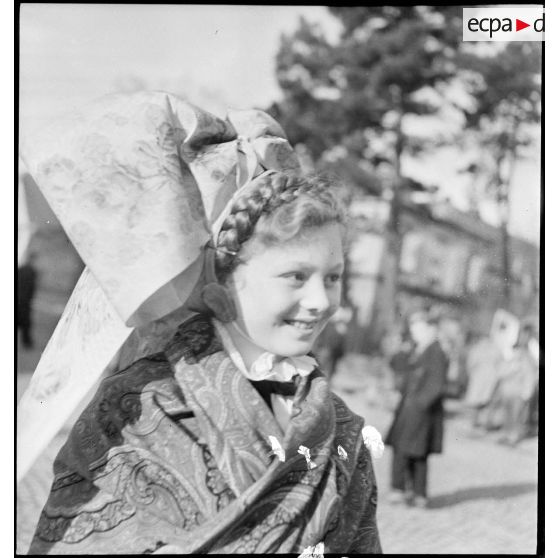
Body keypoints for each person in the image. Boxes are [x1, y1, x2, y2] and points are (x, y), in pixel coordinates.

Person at [22, 92, 382, 554]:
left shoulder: (343, 430)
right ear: (228, 277)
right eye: (295, 276)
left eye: (332, 278)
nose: (320, 301)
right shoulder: (138, 409)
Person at [384, 309, 449, 509]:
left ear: (431, 329)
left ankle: (403, 490)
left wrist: (419, 404)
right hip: (410, 407)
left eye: (419, 328)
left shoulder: (435, 351)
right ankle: (415, 492)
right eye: (413, 328)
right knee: (410, 449)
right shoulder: (418, 348)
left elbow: (437, 384)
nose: (415, 333)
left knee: (412, 451)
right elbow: (397, 365)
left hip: (420, 411)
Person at [494, 324, 539, 446]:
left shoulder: (527, 359)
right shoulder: (509, 360)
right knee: (507, 415)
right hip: (507, 391)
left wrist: (527, 392)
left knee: (517, 416)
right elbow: (500, 373)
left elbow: (530, 377)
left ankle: (513, 437)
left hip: (519, 393)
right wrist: (512, 368)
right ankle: (506, 435)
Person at [463, 332, 504, 431]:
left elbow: (470, 364)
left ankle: (475, 422)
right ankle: (485, 423)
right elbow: (500, 365)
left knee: (477, 402)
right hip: (490, 379)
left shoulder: (477, 349)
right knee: (487, 401)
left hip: (479, 379)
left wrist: (471, 374)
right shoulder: (495, 349)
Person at [17, 251, 38, 349]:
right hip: (25, 300)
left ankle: (27, 342)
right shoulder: (32, 272)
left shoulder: (20, 269)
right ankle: (26, 343)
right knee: (25, 322)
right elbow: (32, 288)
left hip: (19, 299)